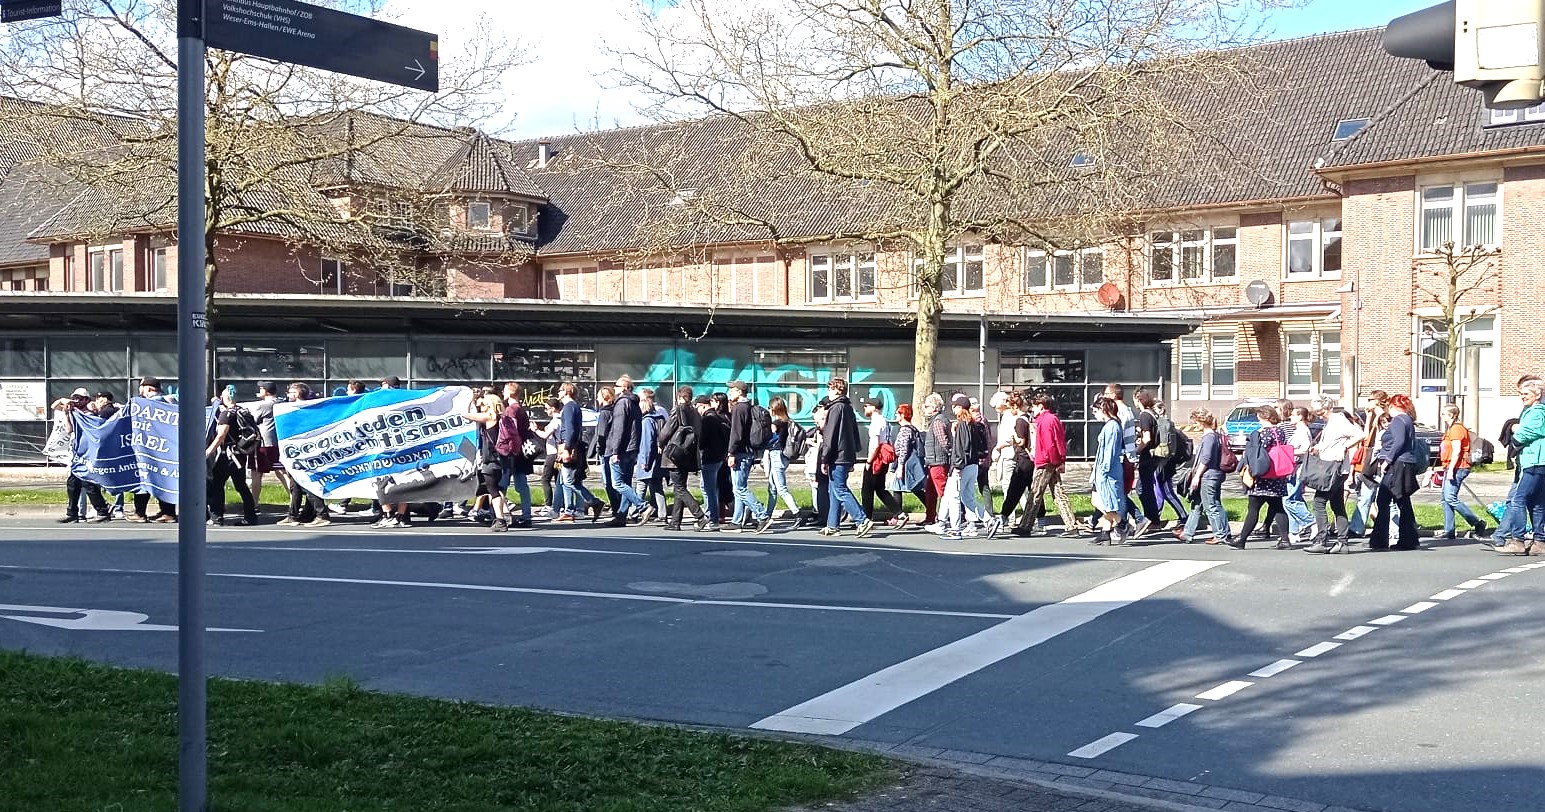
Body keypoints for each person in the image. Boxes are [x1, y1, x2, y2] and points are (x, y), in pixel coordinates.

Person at [1493, 378, 1545, 555]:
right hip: (1537, 461)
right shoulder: (1534, 411)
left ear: (1537, 395)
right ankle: (1539, 541)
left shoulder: (1537, 412)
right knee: (1537, 503)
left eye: (1526, 394)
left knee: (1518, 500)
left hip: (1534, 462)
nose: (1522, 397)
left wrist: (1515, 432)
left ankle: (1518, 540)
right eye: (1521, 394)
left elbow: (1524, 433)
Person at [1228, 405, 1290, 550]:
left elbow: (1256, 453)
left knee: (1253, 508)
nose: (1258, 419)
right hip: (1277, 475)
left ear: (1264, 417)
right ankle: (1285, 539)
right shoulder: (1280, 431)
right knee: (1278, 507)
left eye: (1259, 417)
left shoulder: (1263, 433)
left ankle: (1242, 539)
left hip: (1263, 476)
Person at [1303, 397, 1360, 554]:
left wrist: (1344, 448)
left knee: (1319, 502)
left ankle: (1322, 540)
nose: (1319, 416)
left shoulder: (1338, 420)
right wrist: (1319, 448)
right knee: (1337, 505)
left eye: (1320, 412)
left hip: (1334, 469)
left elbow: (1360, 434)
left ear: (1328, 408)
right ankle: (1342, 542)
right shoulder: (1330, 423)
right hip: (1333, 468)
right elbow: (1331, 442)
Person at [820, 377, 874, 537]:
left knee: (839, 488)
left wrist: (824, 458)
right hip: (846, 454)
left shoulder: (835, 408)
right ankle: (832, 525)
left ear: (837, 390)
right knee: (834, 489)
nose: (828, 392)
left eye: (830, 389)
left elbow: (830, 436)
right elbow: (854, 433)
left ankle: (862, 519)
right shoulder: (848, 408)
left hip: (837, 455)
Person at [1021, 393, 1080, 537]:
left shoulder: (1045, 421)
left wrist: (1054, 461)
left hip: (1045, 461)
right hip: (1052, 461)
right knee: (1058, 493)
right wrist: (1060, 460)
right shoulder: (1053, 419)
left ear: (1041, 406)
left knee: (1035, 493)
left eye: (1034, 406)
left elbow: (1049, 444)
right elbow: (1059, 441)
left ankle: (1025, 526)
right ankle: (1071, 525)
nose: (1032, 409)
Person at [1369, 394, 1421, 551]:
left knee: (1384, 500)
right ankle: (1409, 538)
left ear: (1393, 407)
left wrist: (1387, 461)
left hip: (1397, 464)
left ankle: (1380, 539)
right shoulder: (1408, 421)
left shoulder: (1398, 420)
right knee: (1402, 501)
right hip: (1406, 463)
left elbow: (1398, 442)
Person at [206, 385, 260, 527]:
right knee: (241, 486)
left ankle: (217, 517)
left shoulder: (226, 414)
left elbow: (221, 436)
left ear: (225, 397)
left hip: (227, 456)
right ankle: (250, 517)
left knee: (217, 485)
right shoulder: (243, 411)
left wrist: (208, 452)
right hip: (240, 455)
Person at [280, 382, 333, 527]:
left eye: (290, 392)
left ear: (297, 394)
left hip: (306, 453)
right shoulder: (289, 409)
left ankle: (322, 514)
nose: (288, 395)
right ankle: (293, 515)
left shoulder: (305, 409)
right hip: (294, 452)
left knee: (309, 483)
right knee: (295, 485)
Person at [127, 377, 178, 524]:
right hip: (165, 450)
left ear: (148, 388)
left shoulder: (149, 404)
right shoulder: (170, 402)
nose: (139, 390)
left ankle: (141, 513)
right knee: (163, 480)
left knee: (144, 480)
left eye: (141, 387)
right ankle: (167, 512)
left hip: (149, 450)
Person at [1436, 402, 1489, 542]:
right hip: (1451, 466)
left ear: (1452, 415)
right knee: (1445, 499)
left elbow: (1457, 450)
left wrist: (1451, 470)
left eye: (1444, 414)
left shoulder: (1457, 429)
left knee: (1450, 498)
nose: (1442, 416)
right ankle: (1449, 530)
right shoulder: (1451, 429)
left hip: (1459, 467)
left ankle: (1477, 523)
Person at [726, 380, 774, 533]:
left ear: (740, 392)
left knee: (740, 488)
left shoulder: (739, 408)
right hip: (748, 452)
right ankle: (737, 521)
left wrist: (731, 452)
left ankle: (762, 515)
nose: (729, 393)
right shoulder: (749, 407)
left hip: (740, 452)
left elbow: (736, 433)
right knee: (738, 488)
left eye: (732, 390)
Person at [1178, 409, 1231, 545]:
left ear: (1201, 422)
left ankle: (1220, 534)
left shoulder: (1209, 437)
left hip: (1208, 475)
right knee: (1197, 504)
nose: (1196, 425)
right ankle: (1188, 533)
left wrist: (1197, 476)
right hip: (1214, 474)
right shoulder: (1215, 436)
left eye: (1196, 422)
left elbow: (1206, 458)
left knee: (1211, 505)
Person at [940, 393, 989, 539]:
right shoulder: (973, 424)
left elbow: (962, 447)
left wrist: (957, 466)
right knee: (968, 497)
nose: (953, 409)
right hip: (973, 464)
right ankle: (989, 520)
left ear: (960, 407)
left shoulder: (962, 424)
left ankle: (955, 529)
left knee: (955, 497)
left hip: (962, 466)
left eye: (954, 406)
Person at [659, 386, 706, 531]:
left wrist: (660, 443)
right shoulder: (695, 412)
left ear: (679, 396)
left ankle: (700, 516)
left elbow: (666, 432)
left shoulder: (678, 409)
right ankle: (675, 521)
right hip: (687, 453)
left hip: (675, 453)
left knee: (679, 487)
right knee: (680, 486)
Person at [555, 381, 602, 522]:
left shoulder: (569, 407)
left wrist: (567, 448)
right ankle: (569, 510)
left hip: (569, 446)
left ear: (566, 391)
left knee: (569, 481)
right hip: (572, 446)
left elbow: (570, 429)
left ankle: (594, 501)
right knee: (567, 479)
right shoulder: (573, 407)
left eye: (560, 390)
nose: (558, 393)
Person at [606, 375, 649, 527]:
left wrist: (615, 451)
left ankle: (642, 505)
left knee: (617, 484)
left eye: (616, 386)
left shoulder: (622, 402)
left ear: (624, 388)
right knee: (626, 483)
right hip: (631, 448)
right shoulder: (634, 403)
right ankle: (621, 516)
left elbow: (619, 428)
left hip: (621, 449)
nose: (614, 388)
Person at [991, 391, 1032, 538]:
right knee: (1031, 491)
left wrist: (1008, 443)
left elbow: (1020, 441)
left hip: (1021, 459)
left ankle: (1003, 519)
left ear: (1015, 405)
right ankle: (1035, 522)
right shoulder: (1029, 418)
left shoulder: (1019, 420)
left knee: (1013, 490)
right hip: (1029, 460)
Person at [497, 381, 536, 529]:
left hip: (511, 452)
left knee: (502, 484)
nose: (503, 393)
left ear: (511, 392)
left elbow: (511, 432)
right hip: (520, 451)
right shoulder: (521, 409)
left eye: (505, 390)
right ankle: (526, 515)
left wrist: (510, 449)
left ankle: (501, 514)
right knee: (521, 484)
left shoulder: (511, 410)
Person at [1089, 396, 1127, 545]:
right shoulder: (1112, 425)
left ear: (1104, 409)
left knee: (1104, 502)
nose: (1094, 413)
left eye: (1096, 410)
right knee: (1103, 501)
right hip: (1105, 471)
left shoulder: (1111, 426)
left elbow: (1109, 452)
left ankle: (1121, 522)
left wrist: (1102, 471)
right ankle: (1106, 532)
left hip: (1107, 472)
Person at [859, 396, 904, 523]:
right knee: (879, 489)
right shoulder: (885, 421)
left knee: (867, 491)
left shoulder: (876, 422)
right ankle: (899, 513)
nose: (864, 408)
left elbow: (875, 444)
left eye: (867, 405)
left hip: (876, 460)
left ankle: (866, 519)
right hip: (883, 460)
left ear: (874, 408)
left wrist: (869, 461)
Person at [247, 380, 290, 507]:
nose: (259, 391)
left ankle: (254, 503)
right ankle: (294, 499)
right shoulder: (282, 403)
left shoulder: (263, 406)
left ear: (265, 391)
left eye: (261, 389)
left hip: (263, 444)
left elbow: (253, 420)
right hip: (278, 443)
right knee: (282, 471)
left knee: (256, 473)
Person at [764, 396, 802, 519]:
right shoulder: (787, 421)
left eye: (770, 407)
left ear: (775, 409)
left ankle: (797, 513)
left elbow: (770, 439)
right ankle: (767, 515)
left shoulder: (776, 424)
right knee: (772, 488)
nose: (768, 410)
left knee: (781, 489)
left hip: (776, 455)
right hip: (783, 456)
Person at [634, 387, 668, 523]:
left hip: (647, 460)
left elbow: (647, 443)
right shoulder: (658, 418)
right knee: (657, 487)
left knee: (640, 486)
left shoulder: (646, 421)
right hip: (657, 459)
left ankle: (634, 512)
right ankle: (662, 514)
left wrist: (645, 461)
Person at [695, 394, 730, 530]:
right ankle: (711, 517)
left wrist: (699, 447)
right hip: (718, 457)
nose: (696, 410)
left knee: (708, 489)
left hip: (709, 457)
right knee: (711, 488)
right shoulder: (717, 417)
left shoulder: (707, 419)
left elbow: (703, 441)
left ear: (703, 405)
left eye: (697, 407)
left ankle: (711, 518)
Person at [1282, 406, 1317, 542]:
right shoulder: (1299, 431)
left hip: (1298, 467)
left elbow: (1305, 449)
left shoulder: (1303, 431)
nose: (1290, 417)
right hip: (1293, 467)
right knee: (1293, 498)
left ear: (1300, 417)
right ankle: (1294, 532)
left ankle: (1312, 522)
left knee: (1289, 500)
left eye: (1293, 415)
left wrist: (1287, 452)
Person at [890, 402, 927, 528]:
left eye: (897, 413)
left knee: (897, 488)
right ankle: (932, 511)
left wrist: (900, 466)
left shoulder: (905, 430)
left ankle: (898, 516)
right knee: (915, 488)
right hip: (909, 463)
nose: (895, 415)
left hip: (905, 464)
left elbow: (904, 449)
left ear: (902, 415)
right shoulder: (913, 428)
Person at [920, 393, 950, 530]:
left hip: (938, 461)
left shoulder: (938, 421)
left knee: (943, 491)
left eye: (927, 406)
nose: (925, 409)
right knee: (930, 492)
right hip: (933, 461)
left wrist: (950, 455)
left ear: (935, 407)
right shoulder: (936, 420)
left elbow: (944, 441)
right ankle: (930, 517)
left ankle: (953, 516)